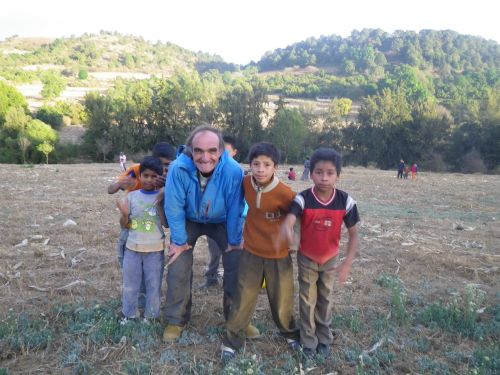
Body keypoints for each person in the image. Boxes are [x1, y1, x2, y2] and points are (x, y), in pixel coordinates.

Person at [162, 125, 259, 342]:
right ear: (190, 150)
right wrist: (179, 242)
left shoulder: (233, 170)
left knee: (237, 263)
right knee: (178, 264)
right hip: (189, 219)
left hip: (223, 220)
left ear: (222, 151)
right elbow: (174, 206)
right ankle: (176, 320)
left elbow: (236, 206)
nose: (205, 157)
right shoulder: (178, 169)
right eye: (198, 151)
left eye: (212, 151)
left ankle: (238, 318)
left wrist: (235, 240)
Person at [221, 142, 300, 362]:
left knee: (282, 297)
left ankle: (290, 332)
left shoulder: (286, 193)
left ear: (276, 167)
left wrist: (295, 241)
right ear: (250, 165)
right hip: (251, 253)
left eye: (267, 164)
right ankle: (232, 339)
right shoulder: (245, 183)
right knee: (244, 295)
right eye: (256, 164)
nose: (261, 169)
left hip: (279, 256)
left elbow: (300, 216)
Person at [280, 148, 360, 358]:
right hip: (307, 258)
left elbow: (354, 235)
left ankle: (324, 338)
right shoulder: (303, 198)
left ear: (338, 176)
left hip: (330, 259)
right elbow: (291, 218)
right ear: (311, 172)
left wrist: (347, 263)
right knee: (307, 300)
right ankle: (308, 341)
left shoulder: (346, 201)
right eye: (319, 172)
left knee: (325, 298)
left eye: (330, 173)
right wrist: (288, 228)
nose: (324, 178)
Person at [107, 142, 176, 311]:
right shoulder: (137, 170)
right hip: (130, 227)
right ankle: (134, 298)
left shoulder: (170, 178)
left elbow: (166, 218)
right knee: (130, 265)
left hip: (152, 233)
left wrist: (166, 185)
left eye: (168, 165)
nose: (164, 169)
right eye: (162, 164)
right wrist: (119, 184)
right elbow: (111, 189)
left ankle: (148, 304)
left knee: (151, 272)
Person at [116, 156, 166, 323]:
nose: (149, 180)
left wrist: (160, 204)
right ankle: (128, 314)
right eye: (145, 176)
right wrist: (124, 215)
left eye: (153, 176)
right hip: (132, 249)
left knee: (153, 285)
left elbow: (165, 224)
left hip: (155, 250)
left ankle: (151, 316)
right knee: (130, 285)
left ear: (159, 177)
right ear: (139, 176)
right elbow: (125, 225)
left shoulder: (163, 196)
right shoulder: (132, 197)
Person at [201, 135, 240, 290]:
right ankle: (211, 277)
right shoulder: (210, 170)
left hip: (231, 220)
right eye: (219, 151)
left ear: (235, 152)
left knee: (232, 254)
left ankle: (232, 284)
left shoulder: (237, 172)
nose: (221, 155)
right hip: (214, 219)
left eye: (226, 151)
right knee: (214, 251)